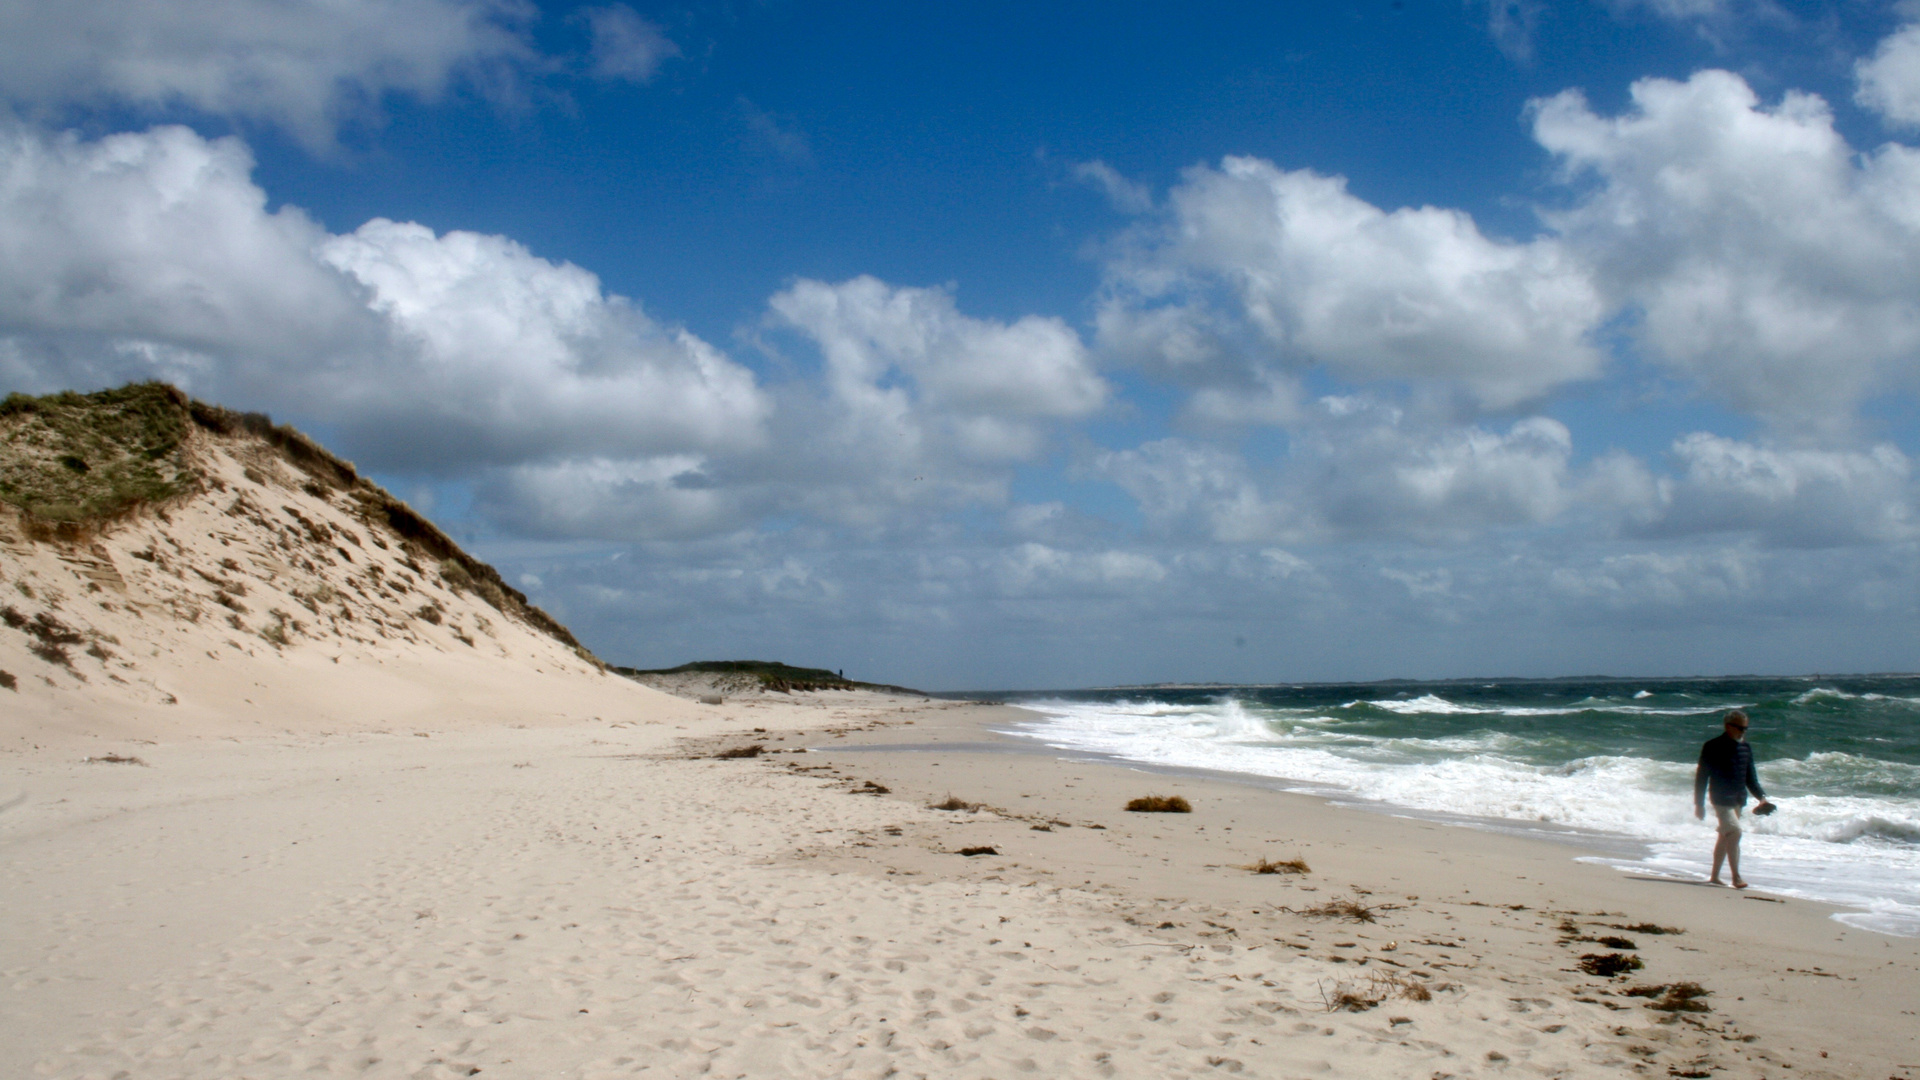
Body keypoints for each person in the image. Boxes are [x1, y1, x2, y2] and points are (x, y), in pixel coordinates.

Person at [1693, 709, 1775, 888]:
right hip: (1720, 799)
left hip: (1738, 800)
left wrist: (1762, 798)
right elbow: (1702, 777)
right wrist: (1699, 804)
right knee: (1735, 832)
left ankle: (1714, 877)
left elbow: (1751, 778)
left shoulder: (1745, 747)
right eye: (1739, 727)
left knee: (1725, 836)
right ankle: (1736, 877)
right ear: (1728, 726)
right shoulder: (1712, 746)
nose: (1743, 731)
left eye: (1745, 728)